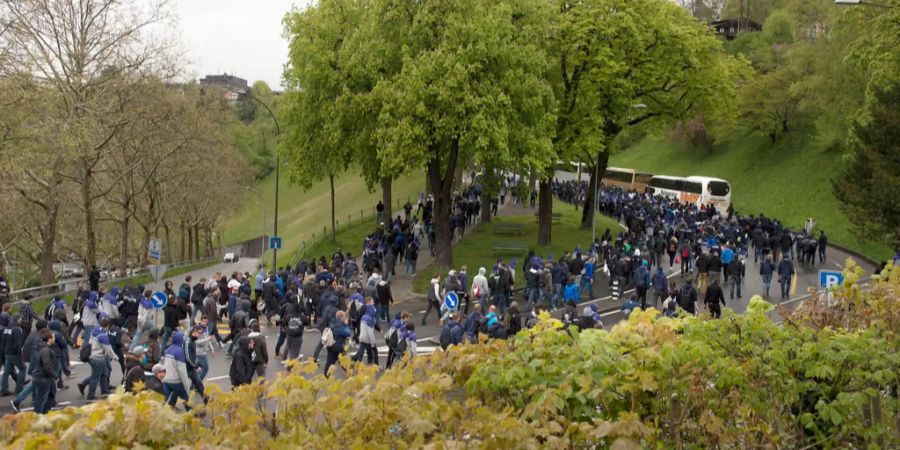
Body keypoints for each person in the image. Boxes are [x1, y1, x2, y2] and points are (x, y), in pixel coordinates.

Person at [78, 317, 119, 400]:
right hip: (97, 358)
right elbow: (108, 349)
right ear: (107, 326)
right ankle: (90, 395)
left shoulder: (95, 330)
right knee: (95, 377)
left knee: (104, 373)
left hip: (91, 355)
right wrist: (115, 357)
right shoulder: (103, 336)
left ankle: (104, 390)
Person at [31, 328, 58, 414]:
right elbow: (47, 366)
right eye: (53, 337)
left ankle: (46, 413)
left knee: (49, 395)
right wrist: (54, 375)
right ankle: (38, 417)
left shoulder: (41, 348)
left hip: (43, 376)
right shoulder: (45, 351)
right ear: (49, 339)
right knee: (42, 399)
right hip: (43, 377)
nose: (54, 339)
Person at [1, 313, 26, 396]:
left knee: (7, 370)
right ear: (18, 319)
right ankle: (19, 389)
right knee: (23, 368)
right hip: (14, 353)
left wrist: (4, 350)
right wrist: (20, 354)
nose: (21, 320)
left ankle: (3, 388)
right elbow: (17, 344)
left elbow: (4, 340)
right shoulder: (17, 329)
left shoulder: (7, 327)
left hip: (7, 352)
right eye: (21, 319)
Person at [323, 311, 352, 378]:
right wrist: (346, 324)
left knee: (330, 361)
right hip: (339, 346)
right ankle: (349, 373)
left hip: (331, 345)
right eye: (344, 317)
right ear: (341, 317)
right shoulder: (340, 326)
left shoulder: (333, 322)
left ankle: (327, 374)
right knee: (343, 361)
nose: (345, 318)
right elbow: (347, 333)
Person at [353, 300, 378, 364]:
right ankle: (376, 365)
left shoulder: (363, 317)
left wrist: (358, 335)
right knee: (375, 351)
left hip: (362, 336)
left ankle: (358, 364)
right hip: (368, 338)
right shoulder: (369, 319)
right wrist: (373, 342)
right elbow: (370, 332)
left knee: (361, 351)